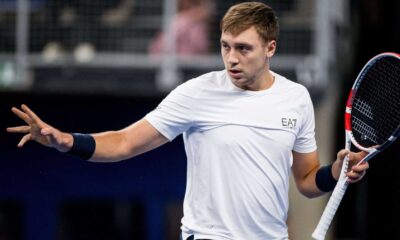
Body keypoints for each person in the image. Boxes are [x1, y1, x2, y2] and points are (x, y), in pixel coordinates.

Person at [7, 2, 369, 239]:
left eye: (243, 48)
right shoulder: (197, 93)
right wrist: (66, 140)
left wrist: (336, 171)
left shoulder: (296, 99)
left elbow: (307, 181)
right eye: (225, 46)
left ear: (270, 48)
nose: (231, 59)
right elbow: (125, 142)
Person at [148, 0, 214, 56]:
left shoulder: (186, 21)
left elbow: (201, 46)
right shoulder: (177, 20)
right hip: (172, 57)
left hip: (192, 59)